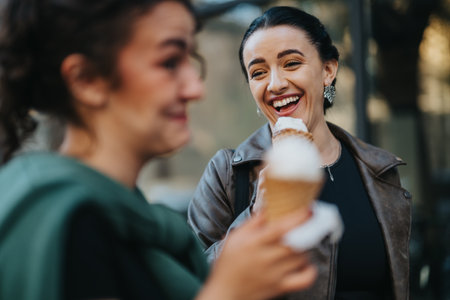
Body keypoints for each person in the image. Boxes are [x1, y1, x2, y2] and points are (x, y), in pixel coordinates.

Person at [0, 1, 318, 300]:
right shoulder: (70, 224)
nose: (196, 88)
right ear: (87, 80)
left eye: (191, 60)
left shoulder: (136, 219)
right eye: (169, 62)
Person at [188, 6, 412, 300]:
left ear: (328, 71)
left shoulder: (380, 171)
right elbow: (190, 283)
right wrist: (256, 214)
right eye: (258, 72)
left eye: (291, 63)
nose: (276, 83)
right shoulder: (229, 173)